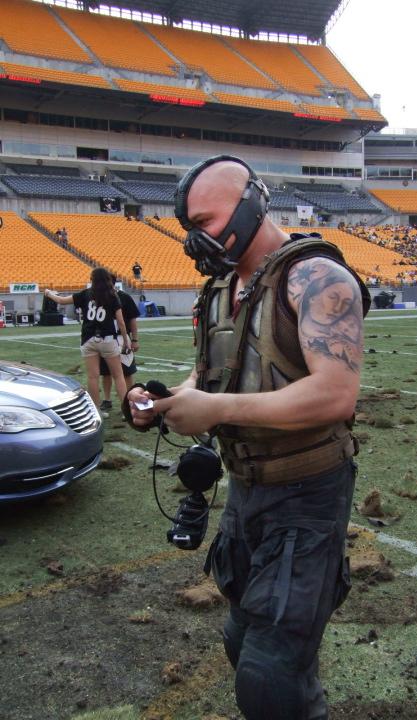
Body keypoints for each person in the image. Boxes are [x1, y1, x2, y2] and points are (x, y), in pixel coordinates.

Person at [124, 155, 371, 720]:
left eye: (205, 223)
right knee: (242, 638)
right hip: (244, 490)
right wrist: (165, 402)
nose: (196, 241)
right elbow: (208, 378)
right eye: (189, 227)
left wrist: (213, 407)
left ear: (252, 202)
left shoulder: (317, 278)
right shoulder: (219, 290)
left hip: (308, 492)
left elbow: (336, 395)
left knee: (271, 670)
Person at [45, 267, 131, 414]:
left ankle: (96, 410)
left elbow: (61, 300)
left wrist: (49, 293)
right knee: (118, 375)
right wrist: (126, 341)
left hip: (88, 339)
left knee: (92, 377)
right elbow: (121, 322)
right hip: (107, 338)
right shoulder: (112, 296)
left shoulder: (85, 294)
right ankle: (126, 411)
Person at [99, 274, 140, 412]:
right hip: (105, 338)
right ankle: (107, 399)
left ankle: (129, 400)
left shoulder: (124, 298)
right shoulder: (98, 297)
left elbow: (132, 320)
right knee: (105, 372)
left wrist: (134, 339)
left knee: (127, 372)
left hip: (122, 338)